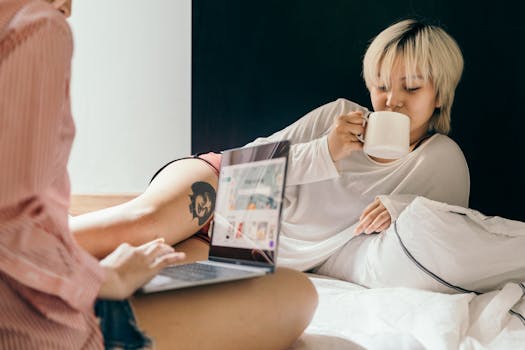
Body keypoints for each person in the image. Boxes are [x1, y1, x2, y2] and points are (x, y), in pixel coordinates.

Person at [0, 1, 318, 349]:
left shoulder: (389, 196)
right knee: (148, 228)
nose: (67, 7)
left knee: (173, 263)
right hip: (229, 187)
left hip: (238, 245)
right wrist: (103, 278)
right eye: (380, 83)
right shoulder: (34, 26)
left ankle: (74, 255)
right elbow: (267, 153)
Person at [72, 19, 469, 271]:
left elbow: (446, 232)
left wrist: (399, 208)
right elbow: (247, 166)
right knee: (139, 224)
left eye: (411, 87)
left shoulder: (443, 161)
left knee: (118, 267)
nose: (392, 100)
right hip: (224, 186)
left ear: (439, 94)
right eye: (380, 86)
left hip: (254, 251)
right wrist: (325, 151)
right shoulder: (340, 117)